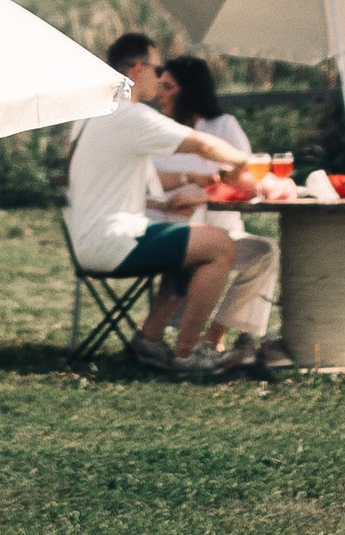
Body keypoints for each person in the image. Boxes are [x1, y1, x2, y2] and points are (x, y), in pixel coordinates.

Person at [65, 31, 276, 376]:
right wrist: (241, 164)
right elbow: (204, 145)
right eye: (157, 68)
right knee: (220, 246)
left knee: (191, 238)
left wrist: (175, 196)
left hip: (92, 237)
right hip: (113, 240)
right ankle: (187, 353)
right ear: (136, 70)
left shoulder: (92, 116)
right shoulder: (128, 116)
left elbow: (133, 181)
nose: (161, 77)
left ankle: (150, 340)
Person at [159, 51, 276, 366]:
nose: (160, 95)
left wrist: (205, 195)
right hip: (171, 231)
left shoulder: (222, 126)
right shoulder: (161, 132)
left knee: (266, 252)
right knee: (255, 252)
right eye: (159, 86)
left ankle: (215, 335)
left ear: (190, 89)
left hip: (221, 230)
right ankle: (189, 341)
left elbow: (246, 181)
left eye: (168, 87)